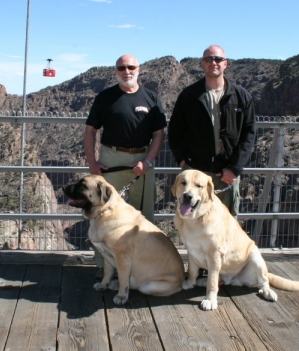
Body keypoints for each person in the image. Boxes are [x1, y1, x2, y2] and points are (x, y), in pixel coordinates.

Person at [84, 54, 167, 276]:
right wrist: (92, 162)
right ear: (116, 71)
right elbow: (91, 130)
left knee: (143, 216)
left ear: (139, 70)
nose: (126, 71)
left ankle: (143, 265)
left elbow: (159, 134)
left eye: (131, 67)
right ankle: (104, 267)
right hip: (111, 159)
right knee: (104, 214)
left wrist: (148, 161)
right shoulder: (105, 98)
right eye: (122, 67)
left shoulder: (151, 98)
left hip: (142, 161)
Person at [168, 45, 256, 217]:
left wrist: (235, 169)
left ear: (226, 64)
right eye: (208, 59)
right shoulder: (189, 95)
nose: (213, 62)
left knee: (225, 224)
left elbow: (249, 134)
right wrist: (182, 161)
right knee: (194, 222)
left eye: (218, 59)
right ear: (202, 63)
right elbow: (175, 131)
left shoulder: (241, 96)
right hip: (196, 173)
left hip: (226, 174)